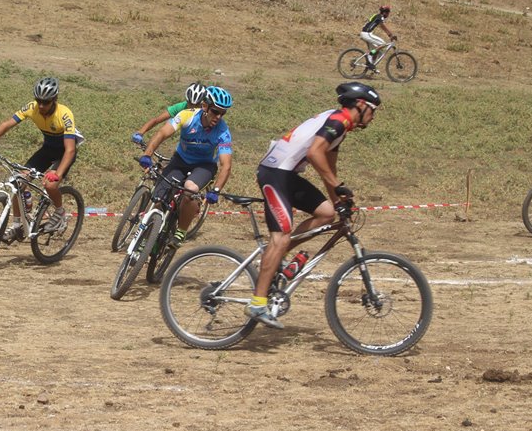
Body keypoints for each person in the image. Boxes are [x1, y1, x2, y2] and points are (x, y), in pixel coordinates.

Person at [246, 82, 381, 329]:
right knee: (280, 237)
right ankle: (257, 303)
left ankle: (277, 258)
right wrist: (338, 185)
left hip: (286, 174)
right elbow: (314, 154)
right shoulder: (338, 120)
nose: (374, 116)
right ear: (361, 105)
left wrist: (339, 201)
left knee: (327, 213)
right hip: (274, 173)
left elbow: (328, 168)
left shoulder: (340, 127)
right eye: (373, 110)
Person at [0, 77, 84, 242]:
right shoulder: (32, 107)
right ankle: (17, 226)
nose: (41, 106)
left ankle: (60, 212)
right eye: (39, 101)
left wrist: (58, 173)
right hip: (47, 150)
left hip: (64, 154)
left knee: (50, 184)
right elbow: (7, 124)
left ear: (54, 100)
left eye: (46, 102)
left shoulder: (64, 114)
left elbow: (70, 149)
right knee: (17, 182)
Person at [138, 86, 233, 248]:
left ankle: (181, 231)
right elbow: (162, 133)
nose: (218, 117)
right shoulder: (187, 116)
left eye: (222, 113)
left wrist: (216, 190)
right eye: (215, 111)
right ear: (205, 106)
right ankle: (147, 237)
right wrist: (147, 154)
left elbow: (226, 165)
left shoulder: (223, 131)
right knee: (159, 198)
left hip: (204, 166)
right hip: (180, 161)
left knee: (190, 190)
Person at [131, 82, 207, 146]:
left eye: (197, 105)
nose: (192, 108)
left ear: (203, 104)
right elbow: (157, 120)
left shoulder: (208, 111)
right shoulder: (180, 107)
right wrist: (140, 133)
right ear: (187, 100)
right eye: (190, 104)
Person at [360, 5, 396, 70]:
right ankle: (369, 55)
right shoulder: (380, 17)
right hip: (367, 33)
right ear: (385, 12)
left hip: (364, 33)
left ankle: (371, 66)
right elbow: (383, 26)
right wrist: (390, 35)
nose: (388, 14)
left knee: (376, 51)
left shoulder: (377, 16)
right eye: (388, 12)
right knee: (383, 44)